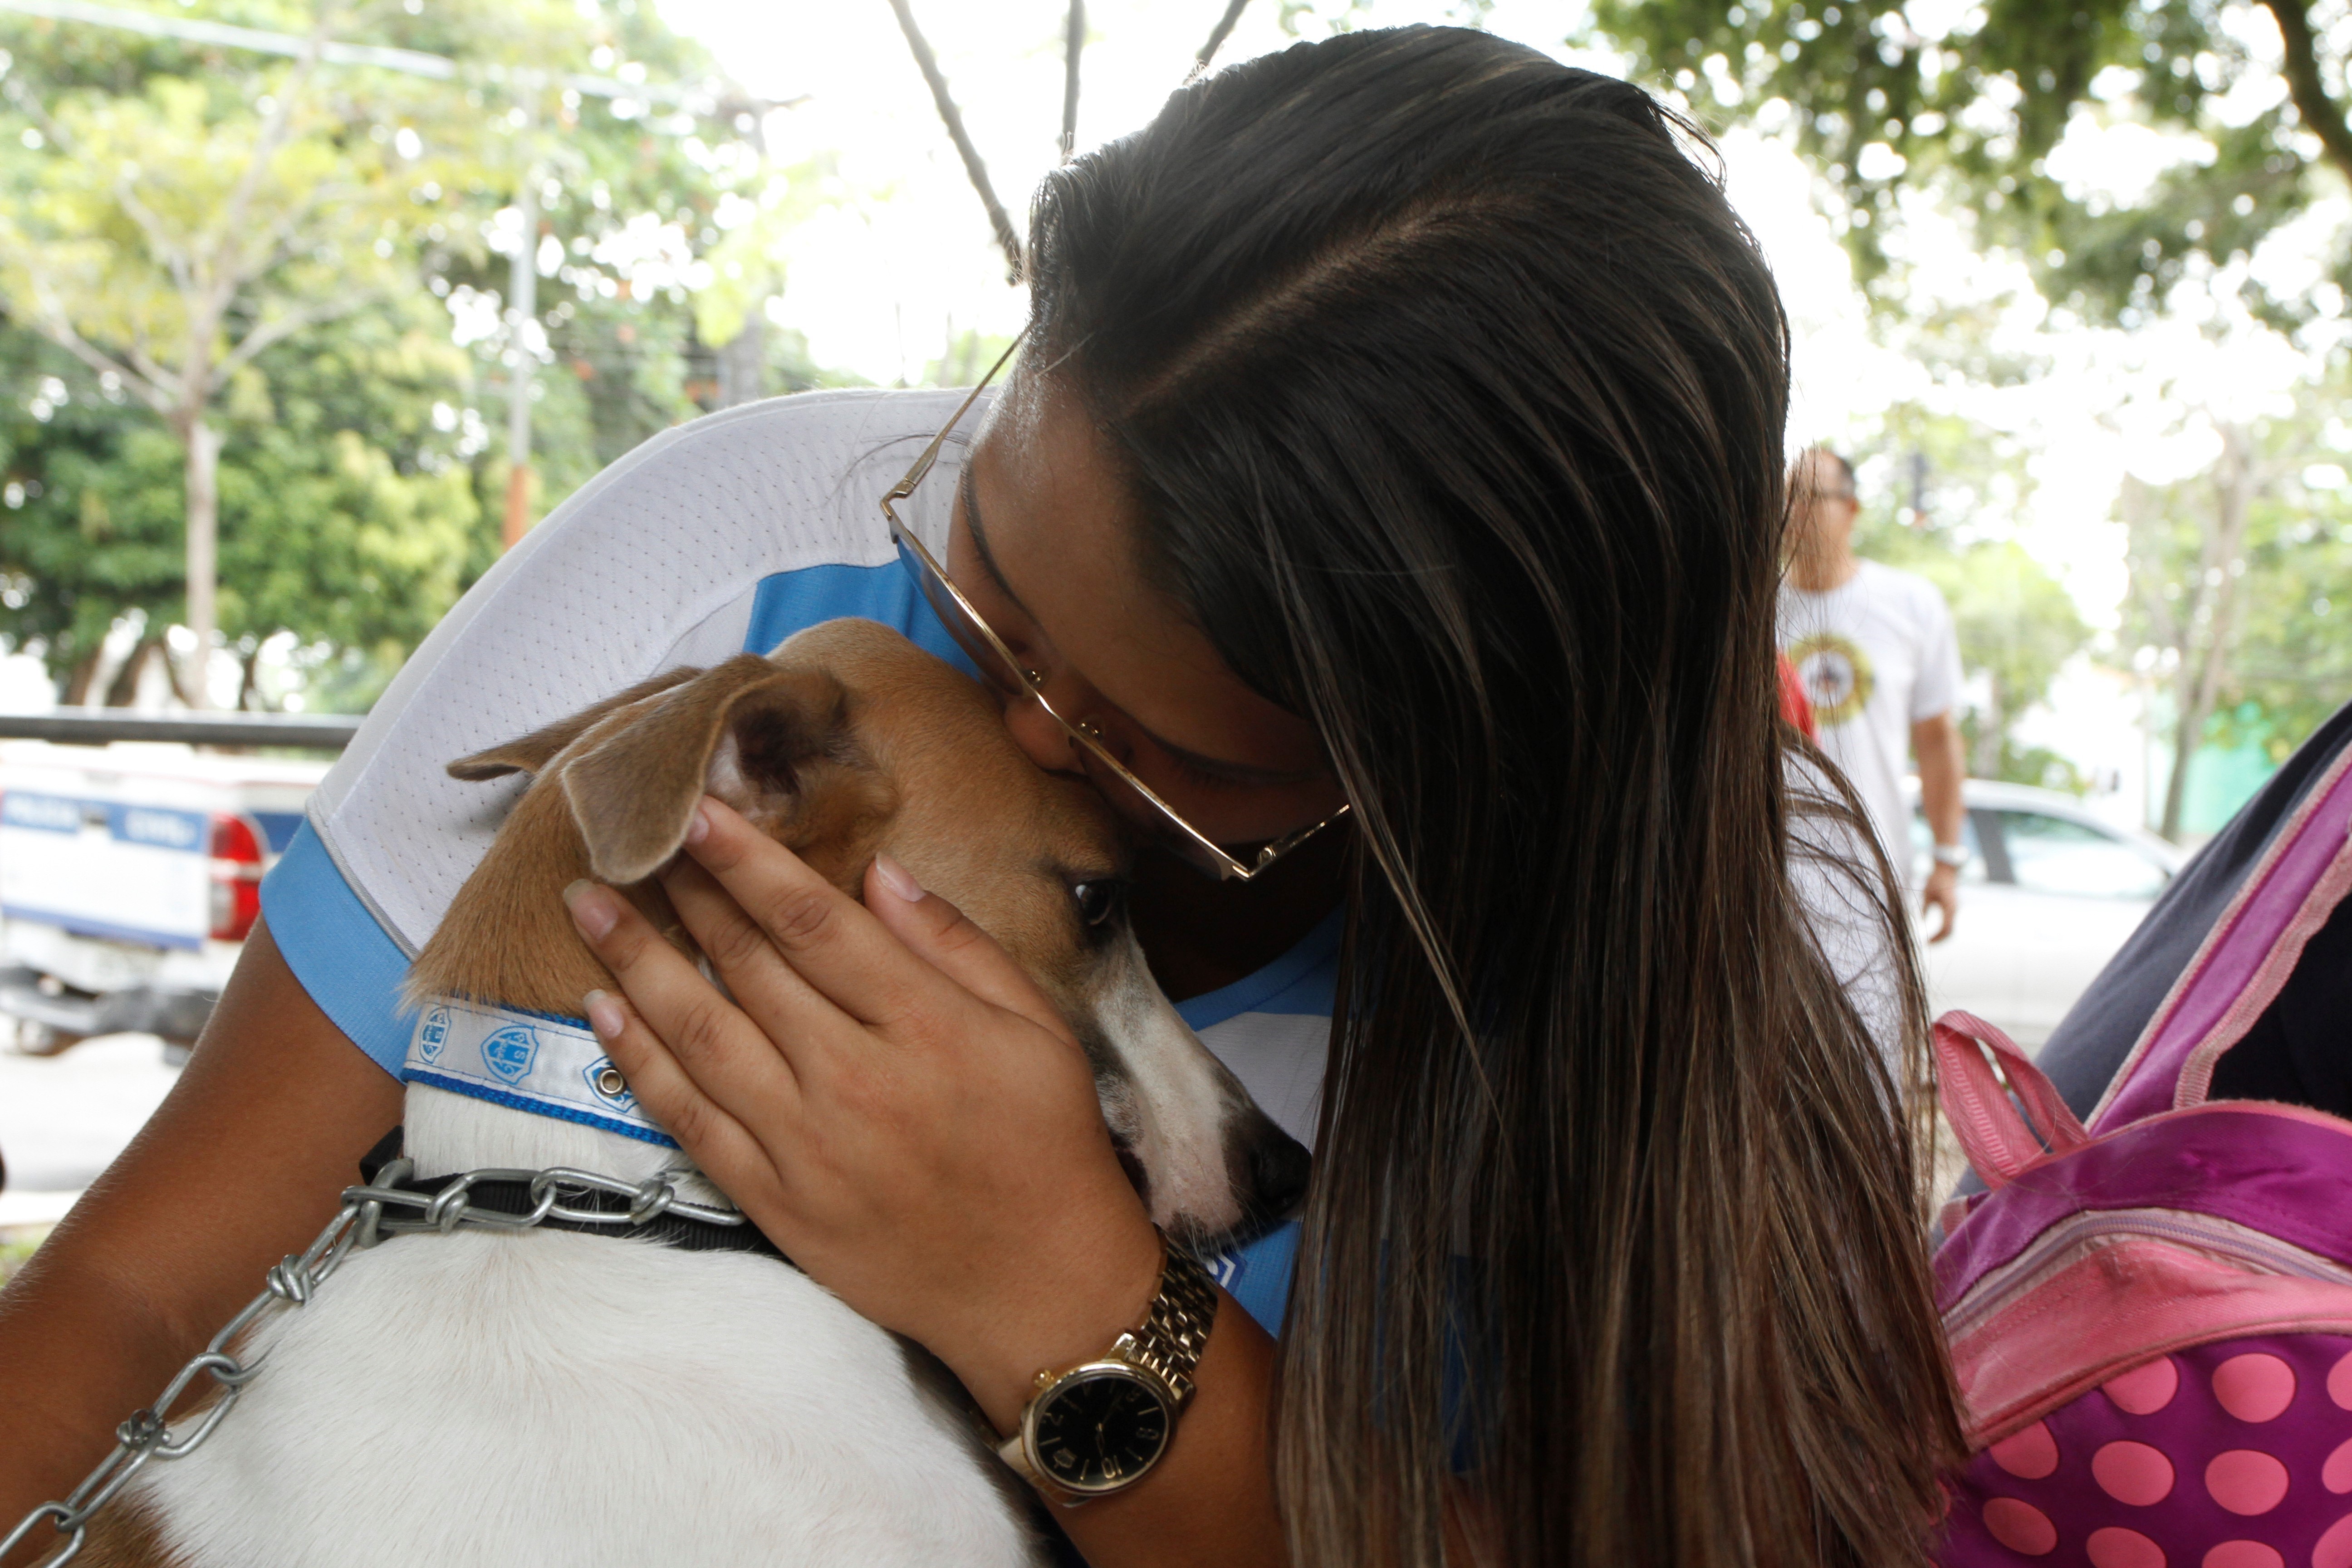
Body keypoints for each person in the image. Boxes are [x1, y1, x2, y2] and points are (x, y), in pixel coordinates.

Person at [0, 30, 1960, 1568]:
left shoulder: (1751, 935)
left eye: (1157, 742)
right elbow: (131, 1283)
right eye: (980, 584)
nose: (1004, 727)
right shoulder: (729, 573)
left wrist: (1071, 1297)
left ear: (1458, 768)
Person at [1780, 448, 1970, 941]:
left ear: (1852, 509)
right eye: (1784, 498)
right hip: (1769, 872)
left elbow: (1936, 739)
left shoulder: (1910, 604)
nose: (1791, 512)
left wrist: (1947, 860)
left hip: (1873, 872)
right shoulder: (1751, 607)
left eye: (1808, 498)